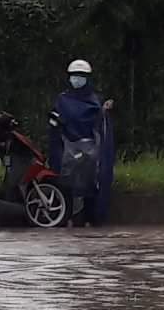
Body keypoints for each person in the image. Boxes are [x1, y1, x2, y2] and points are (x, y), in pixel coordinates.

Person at [48, 58, 115, 227]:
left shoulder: (95, 101)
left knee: (90, 185)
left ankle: (91, 218)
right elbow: (55, 126)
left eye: (81, 76)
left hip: (90, 151)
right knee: (68, 184)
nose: (77, 79)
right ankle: (71, 218)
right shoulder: (62, 100)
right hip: (68, 150)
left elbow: (101, 127)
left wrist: (104, 112)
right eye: (74, 75)